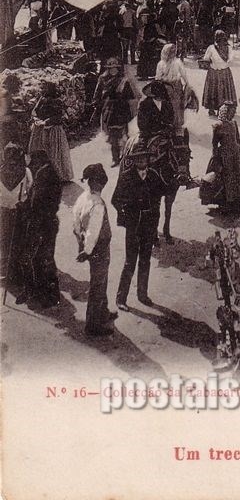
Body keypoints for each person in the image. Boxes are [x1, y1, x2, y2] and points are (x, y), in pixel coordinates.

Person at [112, 143, 166, 310]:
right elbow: (115, 200)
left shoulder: (154, 176)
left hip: (149, 226)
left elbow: (162, 193)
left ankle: (142, 294)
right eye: (138, 158)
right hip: (133, 226)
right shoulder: (126, 177)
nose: (142, 160)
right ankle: (121, 299)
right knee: (130, 262)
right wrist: (126, 215)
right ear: (134, 160)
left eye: (144, 157)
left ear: (148, 159)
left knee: (145, 260)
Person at [73, 164, 117, 337]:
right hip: (99, 248)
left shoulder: (83, 197)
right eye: (101, 181)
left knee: (101, 280)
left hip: (89, 246)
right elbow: (95, 229)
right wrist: (88, 250)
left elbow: (75, 220)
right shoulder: (97, 204)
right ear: (97, 182)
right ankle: (93, 325)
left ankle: (103, 312)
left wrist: (80, 242)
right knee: (98, 284)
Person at [17, 151, 62, 308]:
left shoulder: (46, 176)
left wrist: (25, 207)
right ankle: (34, 291)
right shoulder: (44, 173)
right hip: (40, 222)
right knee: (35, 258)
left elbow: (38, 203)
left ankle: (48, 295)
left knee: (42, 259)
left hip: (44, 224)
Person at [199, 102, 240, 214]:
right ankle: (227, 203)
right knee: (226, 180)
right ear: (225, 112)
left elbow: (238, 139)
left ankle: (238, 201)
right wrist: (216, 159)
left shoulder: (234, 123)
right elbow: (214, 144)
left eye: (234, 111)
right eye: (231, 111)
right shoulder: (217, 126)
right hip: (225, 156)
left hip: (236, 155)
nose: (233, 113)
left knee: (238, 178)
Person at [93, 58, 135, 167]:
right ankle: (115, 158)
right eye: (110, 68)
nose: (113, 70)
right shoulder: (102, 79)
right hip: (109, 109)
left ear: (118, 68)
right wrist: (98, 104)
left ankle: (125, 156)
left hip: (121, 109)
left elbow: (130, 95)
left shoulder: (123, 79)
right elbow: (97, 94)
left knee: (124, 135)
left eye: (114, 68)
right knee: (113, 136)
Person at [0, 143, 32, 288]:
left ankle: (7, 271)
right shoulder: (25, 172)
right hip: (20, 212)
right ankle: (18, 272)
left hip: (3, 213)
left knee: (5, 241)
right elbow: (30, 189)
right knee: (20, 240)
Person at [28, 81, 73, 182]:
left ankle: (57, 176)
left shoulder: (57, 101)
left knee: (54, 153)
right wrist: (36, 119)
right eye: (43, 88)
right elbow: (34, 112)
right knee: (41, 152)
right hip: (40, 129)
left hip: (53, 130)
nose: (43, 90)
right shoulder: (42, 99)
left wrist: (46, 122)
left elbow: (59, 117)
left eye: (45, 89)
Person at [202, 30, 237, 116]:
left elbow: (206, 58)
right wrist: (224, 63)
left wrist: (212, 61)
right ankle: (223, 110)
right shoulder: (229, 48)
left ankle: (211, 109)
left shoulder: (211, 47)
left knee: (212, 90)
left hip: (213, 71)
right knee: (225, 91)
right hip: (225, 72)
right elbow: (231, 60)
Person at [155, 43, 189, 134]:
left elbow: (183, 74)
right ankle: (167, 123)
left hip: (176, 86)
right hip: (165, 87)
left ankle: (177, 124)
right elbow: (158, 77)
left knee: (177, 105)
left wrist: (187, 83)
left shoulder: (177, 62)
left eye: (174, 52)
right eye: (170, 52)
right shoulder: (161, 64)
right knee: (166, 105)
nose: (172, 54)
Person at [119, 0, 137, 64]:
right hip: (131, 30)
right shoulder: (133, 12)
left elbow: (120, 22)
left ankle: (125, 60)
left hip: (124, 30)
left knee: (125, 46)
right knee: (132, 45)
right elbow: (135, 22)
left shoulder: (121, 12)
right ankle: (132, 60)